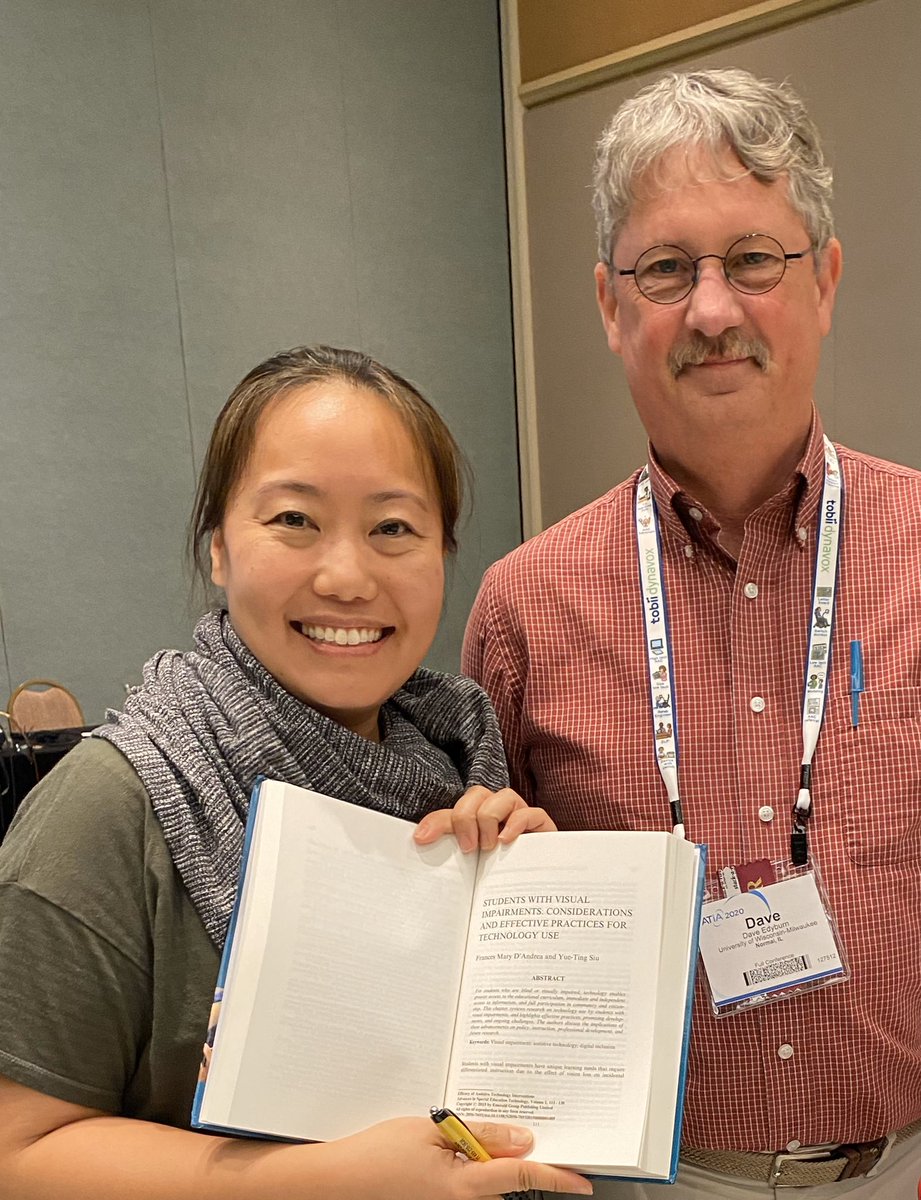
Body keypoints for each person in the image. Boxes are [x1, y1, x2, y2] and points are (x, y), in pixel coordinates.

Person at [463, 70, 921, 1198]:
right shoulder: (523, 606)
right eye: (666, 269)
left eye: (753, 260)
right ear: (613, 308)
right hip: (641, 1180)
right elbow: (476, 944)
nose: (712, 311)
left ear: (823, 280)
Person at [0, 345, 593, 1199]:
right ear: (217, 549)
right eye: (293, 520)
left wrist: (530, 905)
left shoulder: (457, 772)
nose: (346, 576)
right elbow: (17, 1152)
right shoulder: (115, 807)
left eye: (393, 528)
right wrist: (320, 1180)